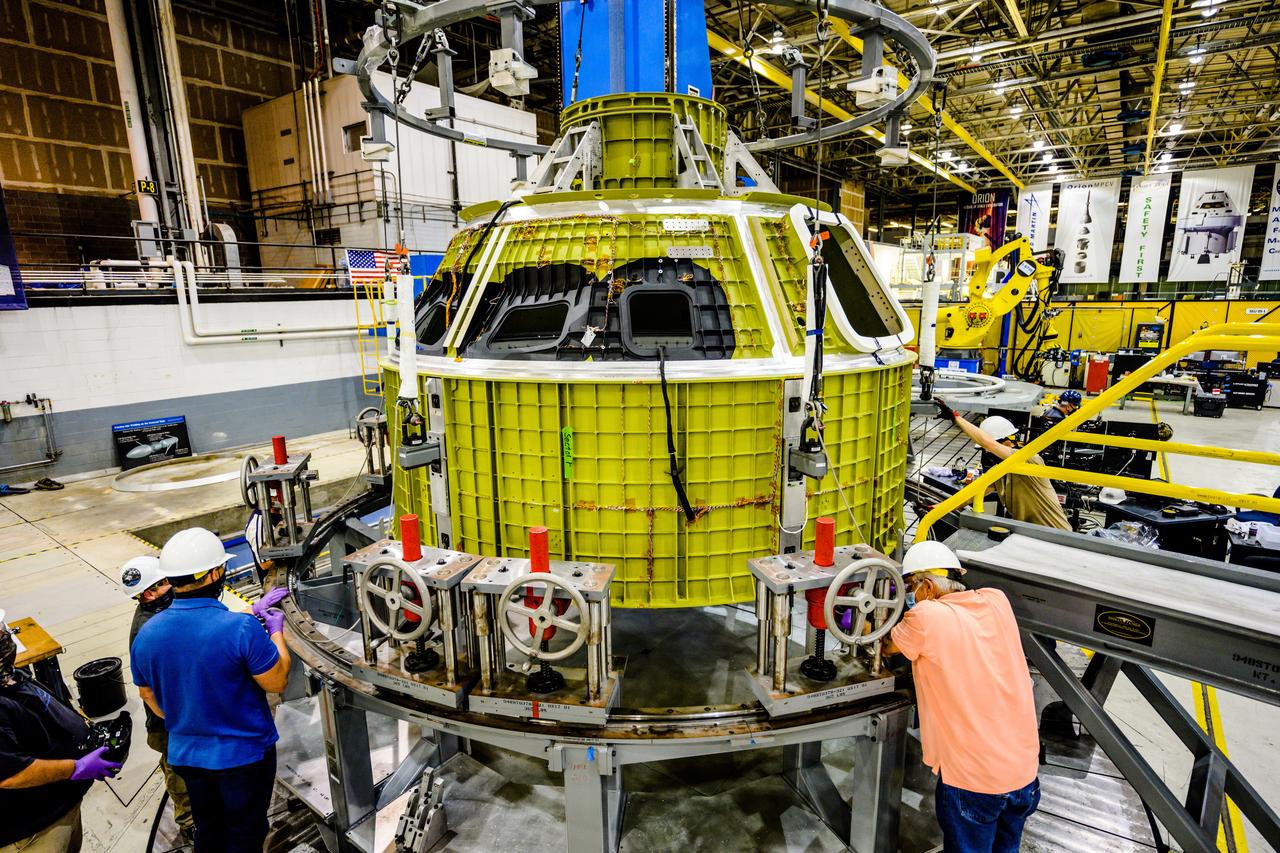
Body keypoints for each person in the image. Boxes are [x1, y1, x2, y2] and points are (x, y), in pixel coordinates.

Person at [130, 528, 291, 853]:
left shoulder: (146, 635)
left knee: (210, 828)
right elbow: (276, 681)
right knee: (246, 832)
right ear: (217, 572)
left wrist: (184, 716)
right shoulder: (241, 630)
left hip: (188, 755)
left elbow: (147, 695)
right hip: (243, 758)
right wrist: (276, 634)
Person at [887, 542, 1041, 853]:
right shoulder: (997, 601)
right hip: (1024, 773)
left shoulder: (926, 616)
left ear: (928, 586)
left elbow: (886, 647)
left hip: (975, 782)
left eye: (910, 589)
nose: (910, 598)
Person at [0, 610, 122, 852]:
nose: (6, 637)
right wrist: (78, 768)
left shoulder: (8, 675)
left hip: (60, 805)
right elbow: (10, 775)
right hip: (33, 831)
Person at [118, 555, 194, 842]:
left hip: (178, 711)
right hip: (168, 719)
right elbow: (148, 693)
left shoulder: (161, 612)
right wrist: (175, 719)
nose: (170, 587)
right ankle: (189, 823)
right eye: (163, 584)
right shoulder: (148, 630)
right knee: (178, 771)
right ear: (148, 593)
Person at [935, 399, 1072, 531]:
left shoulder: (1030, 460)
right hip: (1031, 535)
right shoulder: (999, 472)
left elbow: (988, 443)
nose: (988, 452)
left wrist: (956, 417)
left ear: (1007, 442)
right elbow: (970, 495)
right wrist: (938, 509)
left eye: (988, 449)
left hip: (1058, 535)